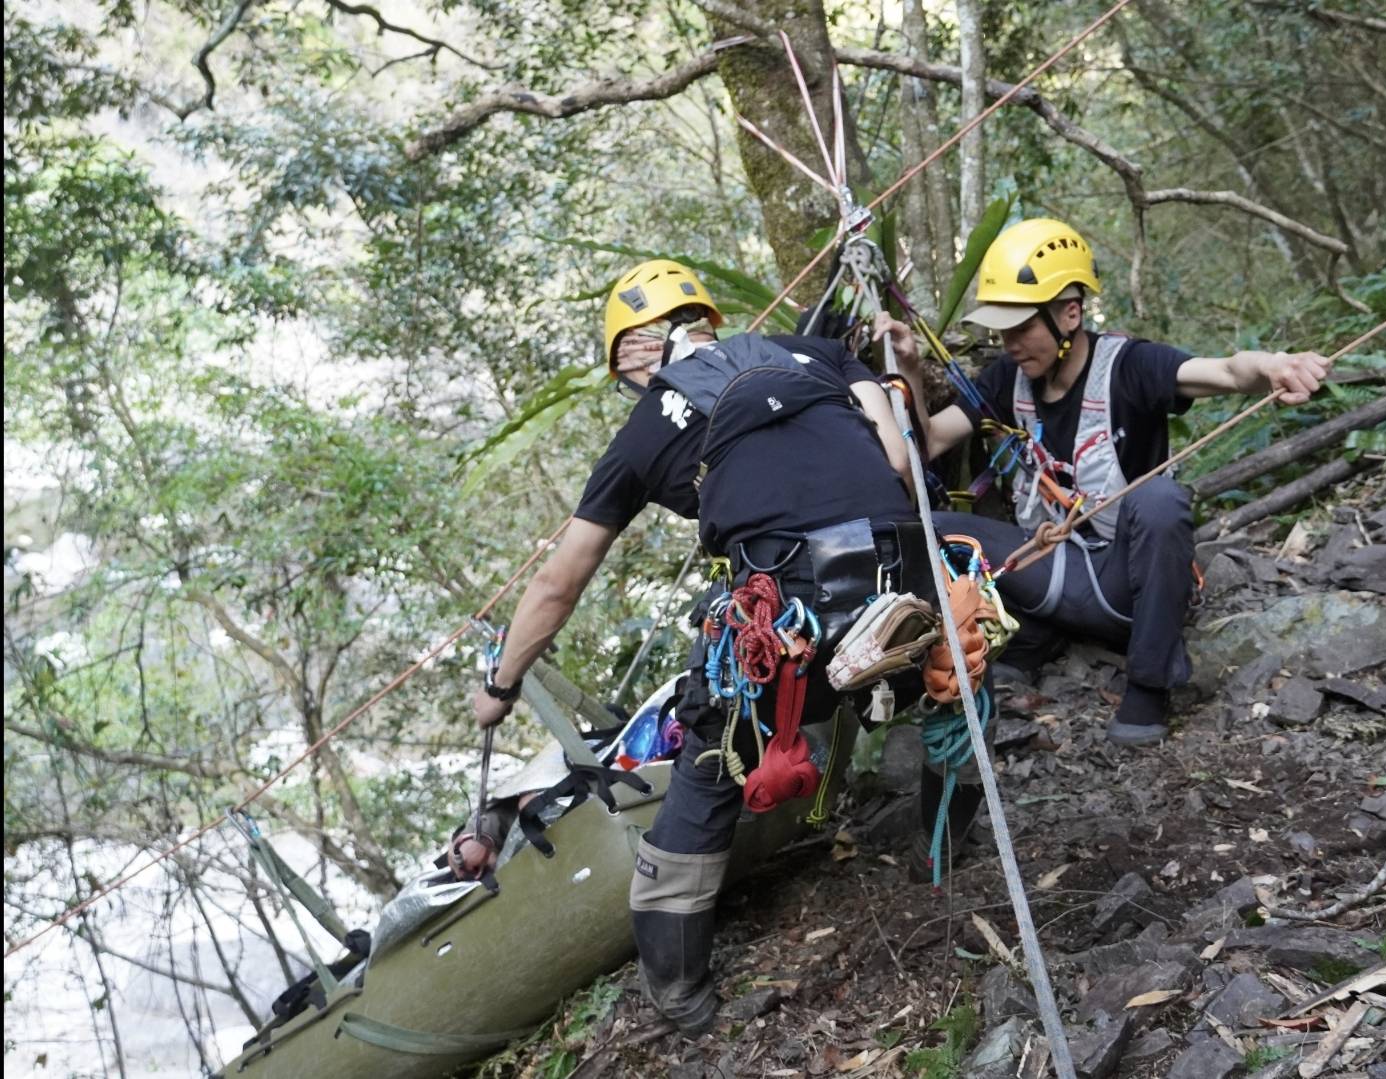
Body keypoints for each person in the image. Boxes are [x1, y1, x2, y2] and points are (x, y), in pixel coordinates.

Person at [471, 258, 983, 1036]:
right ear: (705, 321)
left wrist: (502, 685)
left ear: (637, 351)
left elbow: (558, 582)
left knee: (711, 751)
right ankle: (942, 858)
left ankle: (678, 993)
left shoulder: (647, 425)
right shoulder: (821, 354)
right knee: (950, 687)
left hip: (788, 628)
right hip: (903, 584)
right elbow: (898, 461)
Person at [875, 217, 1332, 747]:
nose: (1011, 343)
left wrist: (1275, 366)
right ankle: (1032, 637)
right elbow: (928, 441)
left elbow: (1228, 372)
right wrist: (908, 367)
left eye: (1022, 327)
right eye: (1003, 330)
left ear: (1069, 313)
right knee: (931, 528)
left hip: (1125, 588)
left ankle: (1149, 682)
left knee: (1160, 498)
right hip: (1052, 566)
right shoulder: (1006, 378)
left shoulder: (1131, 365)